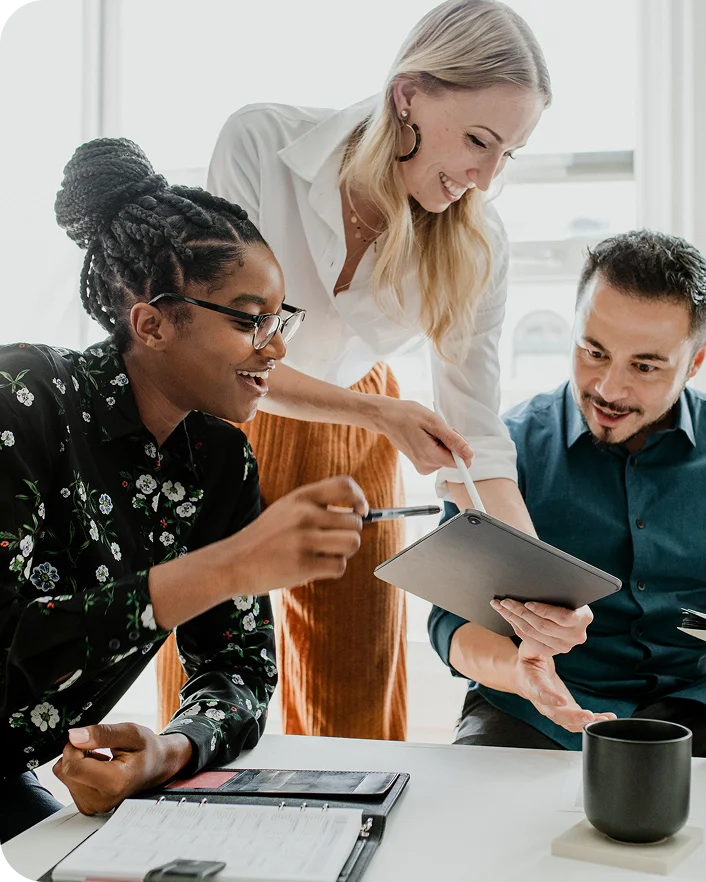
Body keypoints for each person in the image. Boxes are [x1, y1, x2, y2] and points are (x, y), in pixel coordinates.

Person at [156, 0, 591, 741]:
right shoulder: (263, 142)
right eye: (477, 141)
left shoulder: (478, 241)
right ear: (409, 96)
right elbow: (223, 353)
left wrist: (536, 589)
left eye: (506, 155)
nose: (484, 178)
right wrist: (380, 416)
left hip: (351, 427)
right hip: (215, 420)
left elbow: (476, 440)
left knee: (353, 687)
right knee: (205, 683)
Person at [0, 138, 368, 844]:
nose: (277, 345)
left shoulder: (219, 461)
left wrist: (168, 751)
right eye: (247, 317)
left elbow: (239, 666)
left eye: (278, 317)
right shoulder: (22, 401)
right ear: (152, 323)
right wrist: (227, 567)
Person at [429, 229, 706, 762]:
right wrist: (522, 677)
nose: (609, 389)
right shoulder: (504, 449)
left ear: (696, 360)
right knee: (471, 821)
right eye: (593, 351)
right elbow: (450, 620)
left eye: (644, 366)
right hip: (533, 710)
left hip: (697, 708)